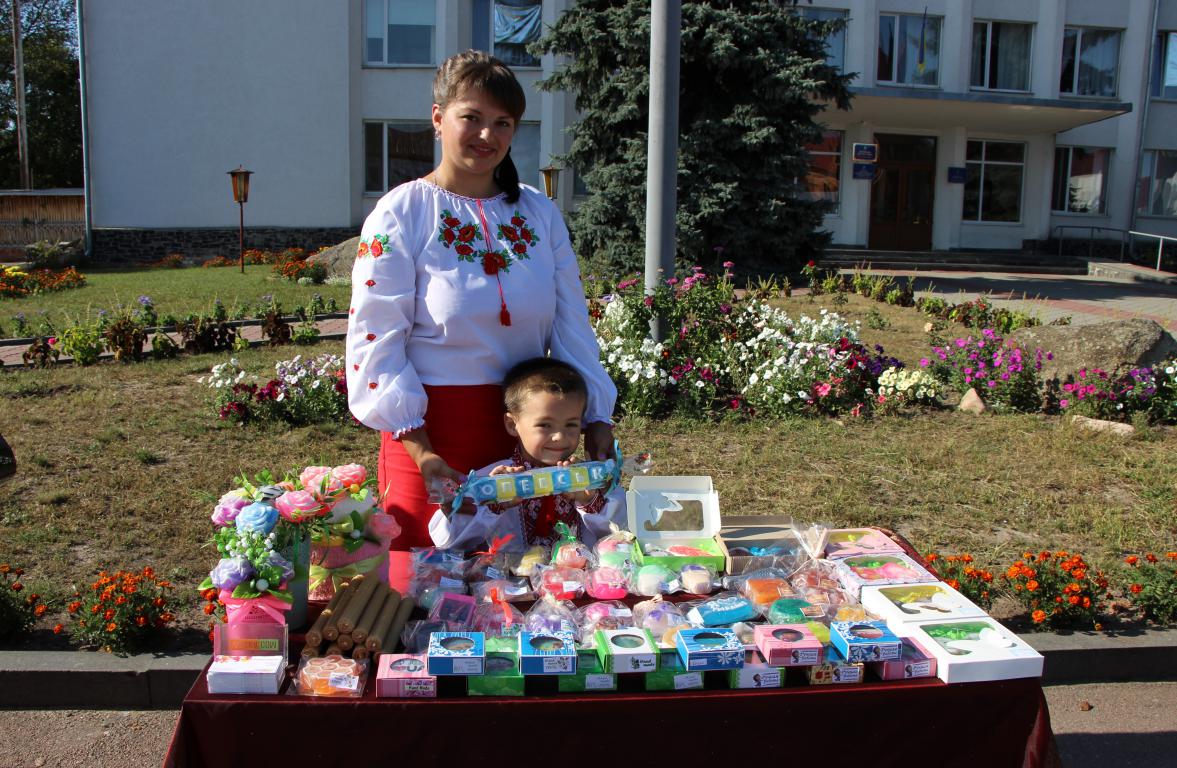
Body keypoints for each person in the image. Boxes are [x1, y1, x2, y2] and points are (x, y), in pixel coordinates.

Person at [346, 51, 616, 552]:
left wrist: (597, 415)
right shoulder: (402, 212)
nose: (486, 135)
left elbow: (571, 324)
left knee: (521, 575)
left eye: (502, 122)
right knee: (426, 581)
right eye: (471, 117)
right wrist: (422, 450)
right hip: (431, 438)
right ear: (438, 118)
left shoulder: (538, 212)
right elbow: (376, 334)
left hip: (525, 434)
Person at [428, 357, 624, 551]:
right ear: (512, 424)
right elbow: (448, 541)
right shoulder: (491, 481)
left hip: (584, 571)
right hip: (509, 572)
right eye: (545, 425)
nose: (559, 436)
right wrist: (492, 504)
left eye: (571, 424)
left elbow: (622, 535)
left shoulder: (591, 479)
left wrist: (589, 501)